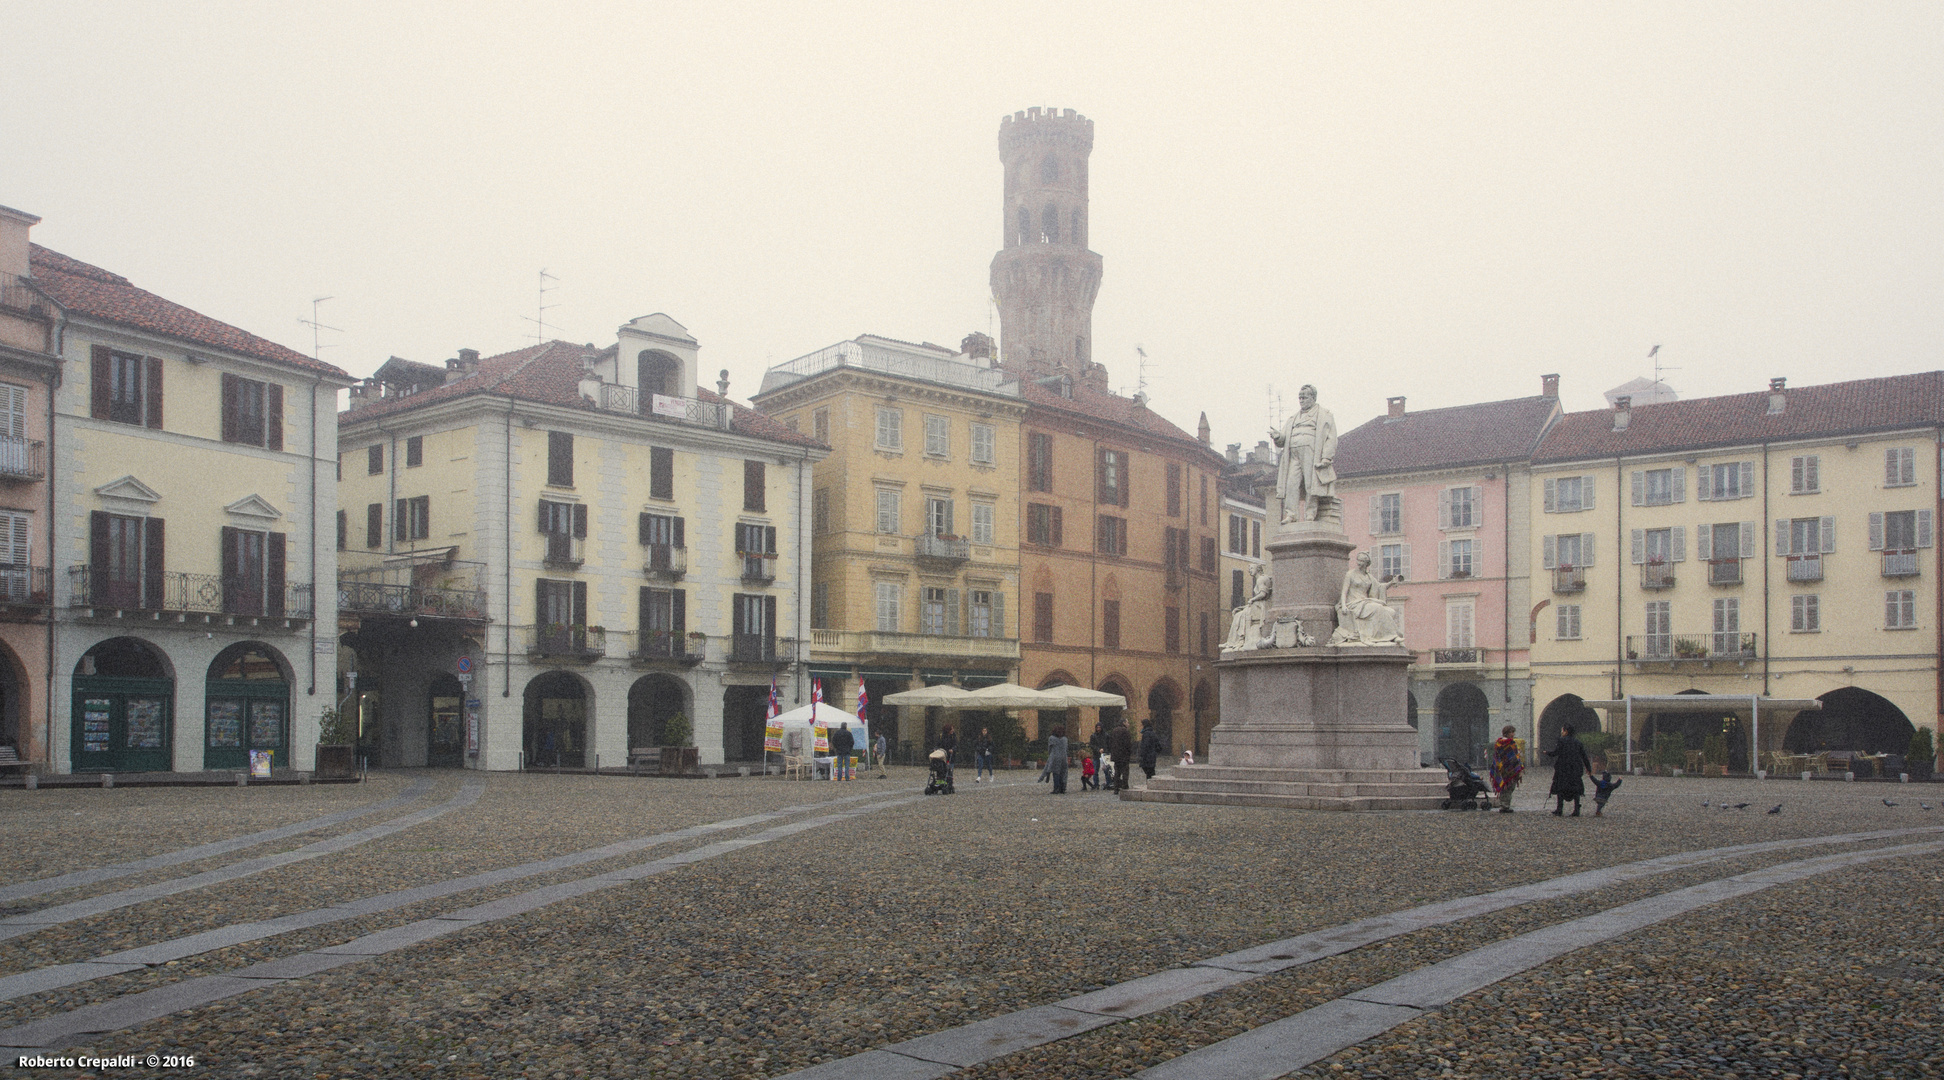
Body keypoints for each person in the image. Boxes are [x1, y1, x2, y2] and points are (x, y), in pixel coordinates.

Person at [1270, 383, 1338, 525]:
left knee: (1310, 484)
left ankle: (1310, 513)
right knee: (1291, 484)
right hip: (1293, 454)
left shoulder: (1324, 415)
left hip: (1312, 453)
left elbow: (1331, 438)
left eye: (1304, 397)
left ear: (1313, 398)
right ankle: (1291, 514)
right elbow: (1284, 439)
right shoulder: (1293, 418)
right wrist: (1278, 437)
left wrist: (1326, 457)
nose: (1301, 400)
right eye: (1299, 398)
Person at [1327, 550, 1405, 646]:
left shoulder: (1369, 577)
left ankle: (1381, 637)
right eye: (1358, 560)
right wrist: (1343, 606)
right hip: (1353, 603)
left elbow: (1380, 587)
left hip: (1365, 602)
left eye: (1362, 561)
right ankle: (1393, 636)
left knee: (1390, 611)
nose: (1359, 563)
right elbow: (1344, 592)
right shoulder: (1350, 574)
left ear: (1367, 564)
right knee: (1378, 608)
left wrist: (1391, 582)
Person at [1547, 723, 1596, 817]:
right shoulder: (1578, 742)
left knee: (1561, 788)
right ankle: (1576, 809)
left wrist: (1547, 753)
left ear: (1566, 731)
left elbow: (1556, 752)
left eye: (1562, 730)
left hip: (1563, 768)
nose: (1561, 732)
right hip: (1575, 768)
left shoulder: (1561, 741)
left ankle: (1559, 809)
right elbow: (1584, 756)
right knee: (1575, 789)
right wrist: (1588, 768)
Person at [1488, 724, 1524, 814]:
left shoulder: (1498, 743)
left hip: (1502, 769)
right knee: (1508, 788)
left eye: (1513, 732)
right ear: (1507, 733)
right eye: (1512, 732)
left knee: (1505, 787)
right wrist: (1518, 767)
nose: (1513, 734)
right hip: (1508, 769)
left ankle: (1504, 805)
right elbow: (1514, 757)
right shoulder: (1511, 743)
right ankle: (1505, 806)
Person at [1107, 719, 1133, 791]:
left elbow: (1110, 742)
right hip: (1124, 755)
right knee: (1125, 771)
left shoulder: (1114, 731)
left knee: (1117, 772)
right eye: (1127, 722)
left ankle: (1116, 787)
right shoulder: (1125, 731)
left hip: (1116, 755)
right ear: (1124, 723)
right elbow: (1128, 744)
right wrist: (1129, 753)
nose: (1128, 724)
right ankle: (1125, 786)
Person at [1047, 724, 1070, 794]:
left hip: (1055, 757)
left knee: (1056, 773)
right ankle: (1063, 788)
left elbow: (1050, 749)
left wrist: (1050, 755)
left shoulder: (1051, 738)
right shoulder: (1065, 739)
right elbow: (1066, 748)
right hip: (1064, 757)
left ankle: (1056, 788)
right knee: (1063, 773)